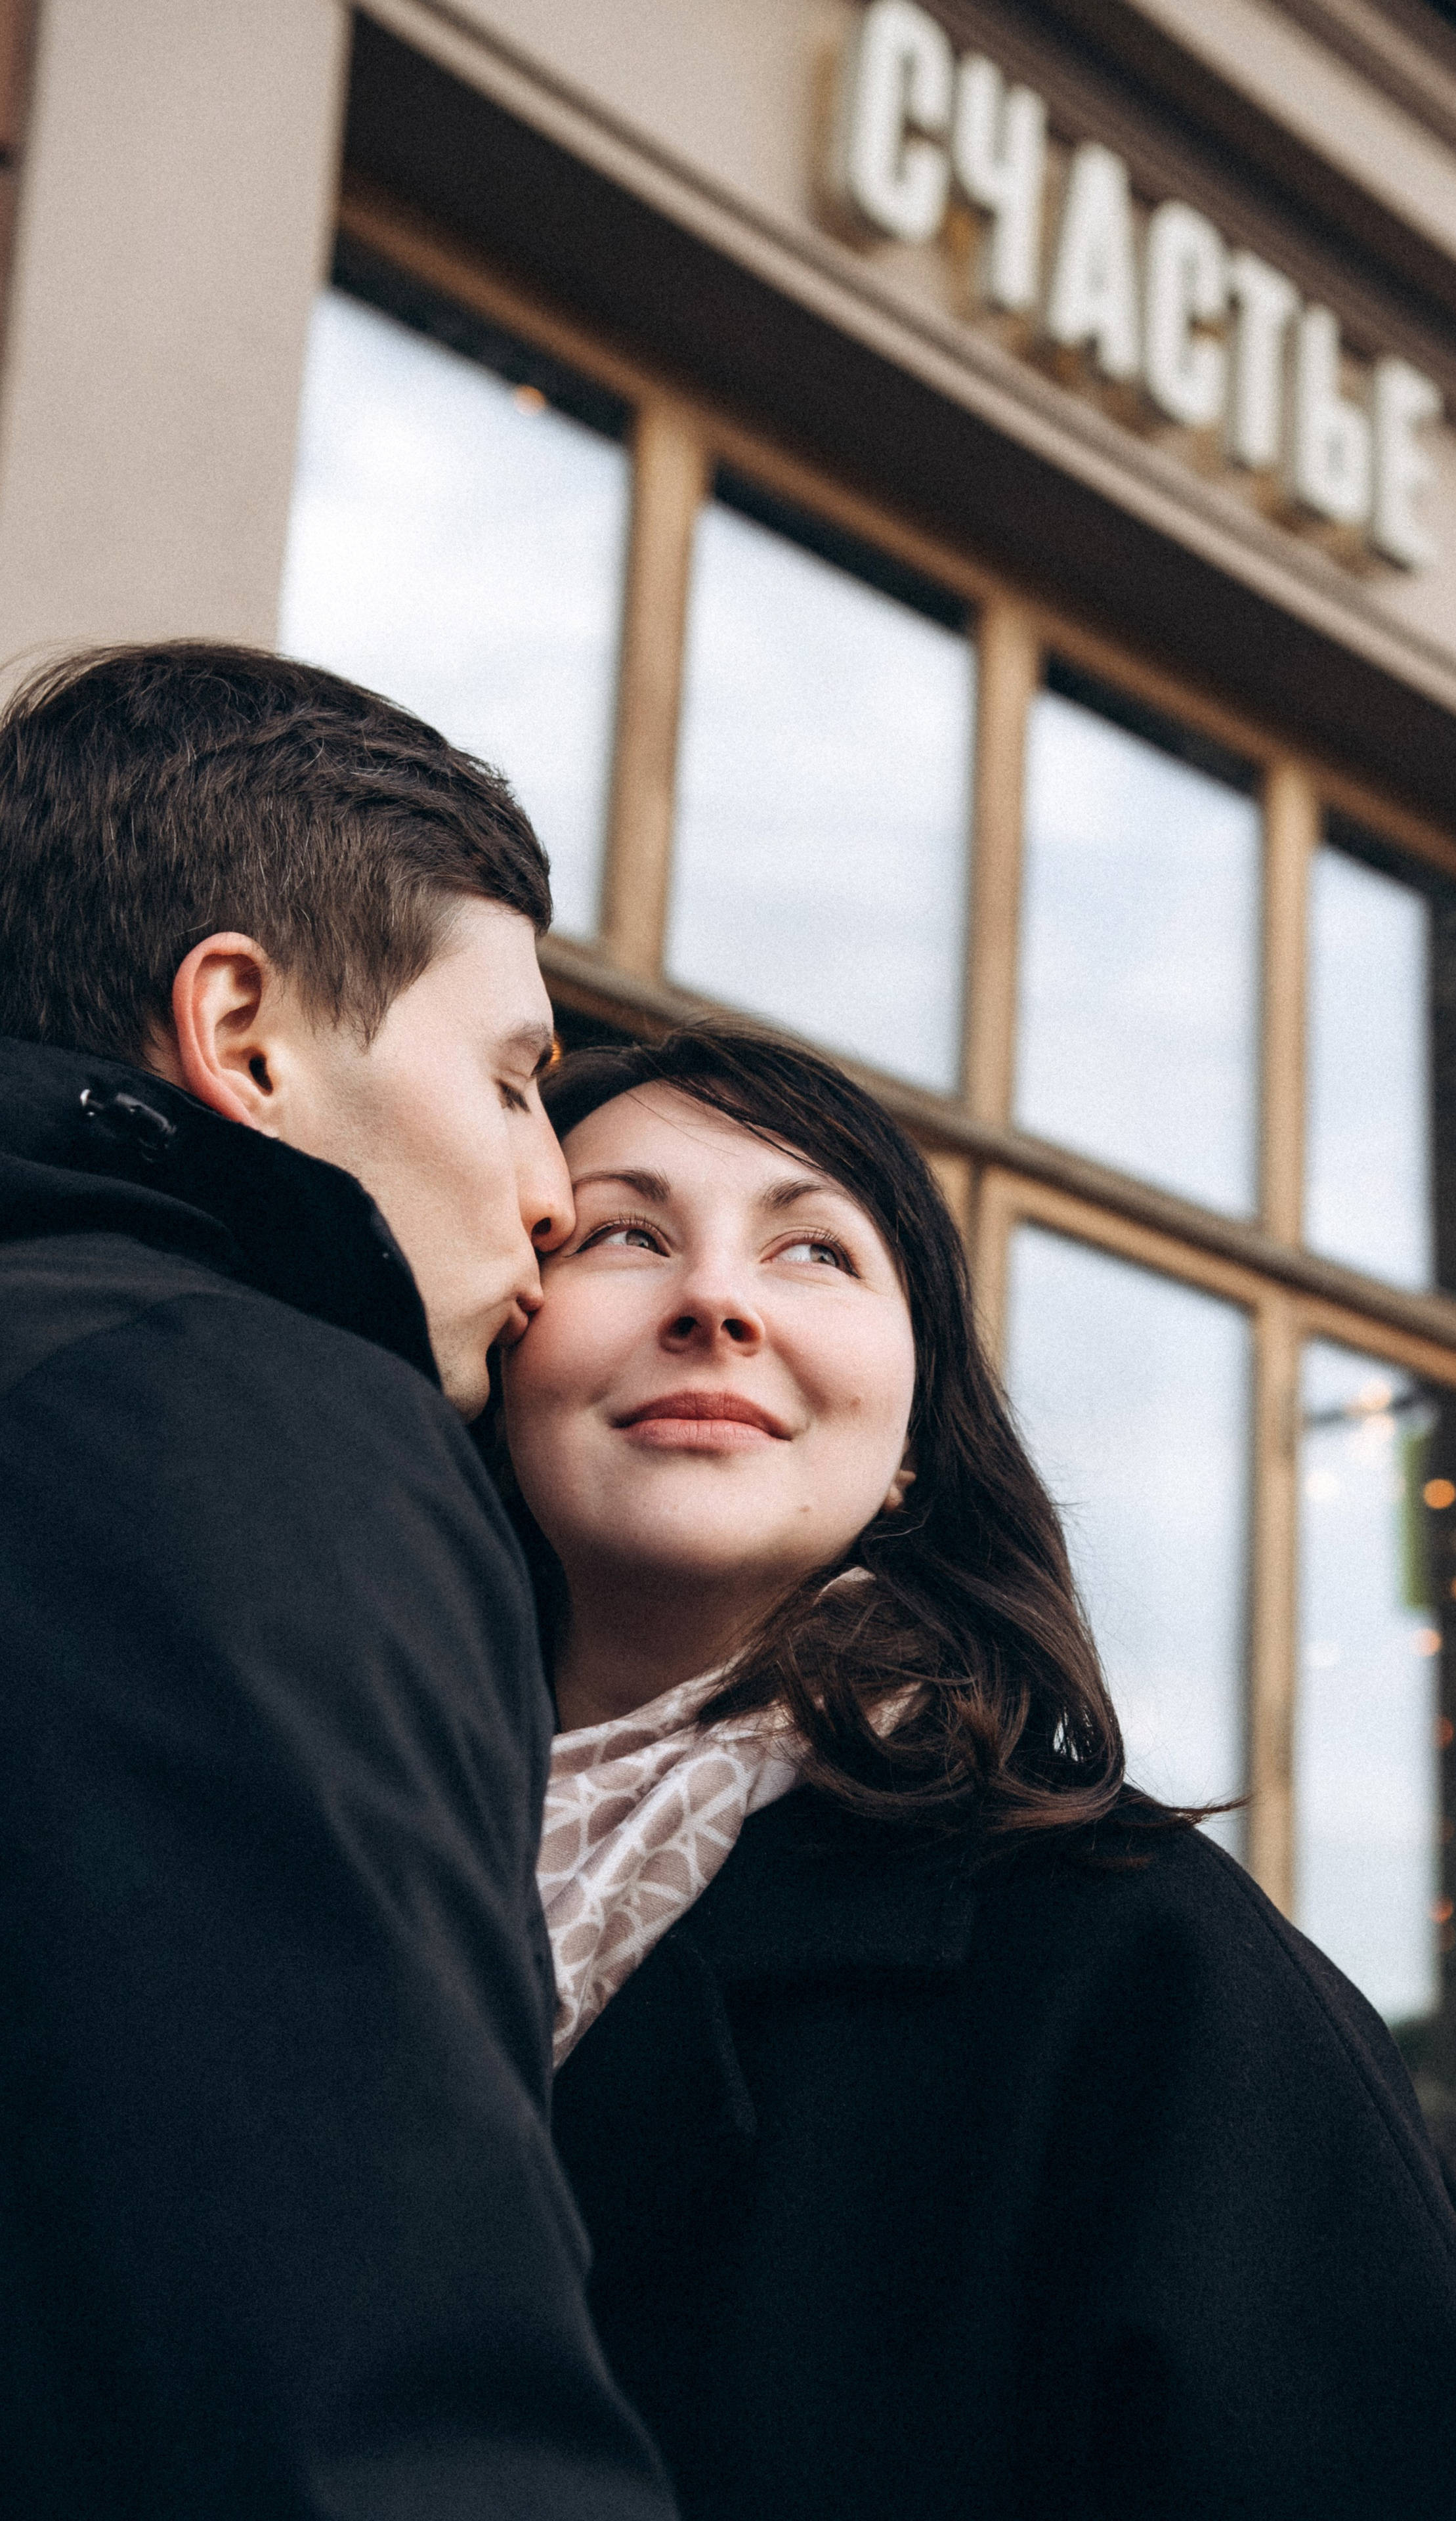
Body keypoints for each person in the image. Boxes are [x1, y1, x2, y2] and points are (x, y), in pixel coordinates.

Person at [503, 1021, 1456, 2521]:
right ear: (498, 1342)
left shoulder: (1132, 1956)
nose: (712, 1301)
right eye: (623, 1232)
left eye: (814, 1253)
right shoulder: (310, 1884)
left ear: (904, 1449)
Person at [0, 644, 676, 2520]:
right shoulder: (242, 1415)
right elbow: (358, 2359)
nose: (551, 1189)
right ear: (249, 1036)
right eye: (521, 1079)